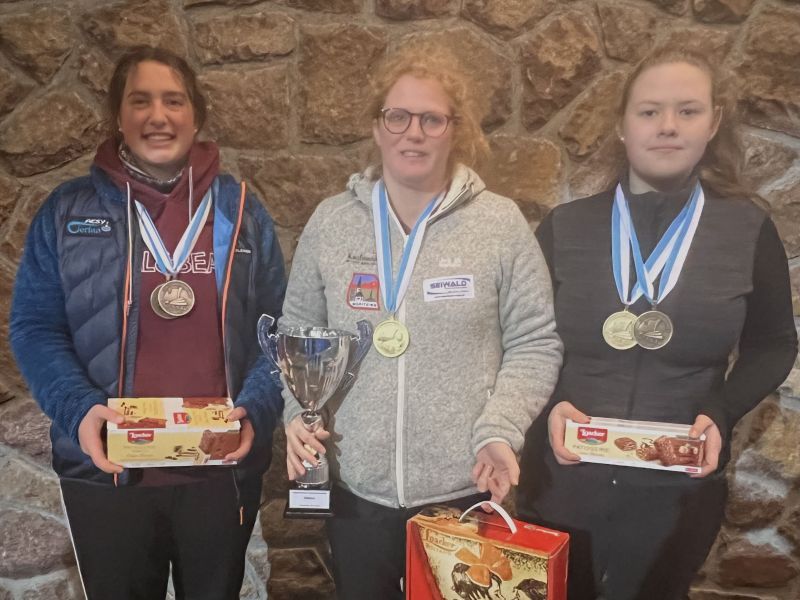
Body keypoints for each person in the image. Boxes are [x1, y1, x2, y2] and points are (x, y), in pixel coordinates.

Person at [278, 43, 563, 599]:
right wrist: (298, 416)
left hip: (466, 489)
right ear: (377, 127)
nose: (414, 132)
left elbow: (534, 342)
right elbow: (297, 334)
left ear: (456, 130)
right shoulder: (332, 223)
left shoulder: (500, 224)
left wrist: (501, 430)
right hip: (357, 489)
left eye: (432, 119)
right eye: (398, 116)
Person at [516, 45, 798, 600]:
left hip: (677, 493)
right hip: (559, 481)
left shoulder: (746, 231)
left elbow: (773, 344)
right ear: (623, 126)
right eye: (649, 111)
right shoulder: (565, 228)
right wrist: (548, 408)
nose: (668, 125)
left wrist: (721, 410)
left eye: (688, 111)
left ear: (713, 124)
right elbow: (522, 341)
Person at [9, 46, 286, 600]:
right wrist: (78, 410)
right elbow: (34, 327)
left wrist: (256, 406)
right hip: (107, 468)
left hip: (218, 468)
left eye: (173, 101)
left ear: (195, 115)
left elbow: (279, 327)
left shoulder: (241, 210)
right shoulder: (67, 211)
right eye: (140, 101)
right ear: (118, 115)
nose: (157, 116)